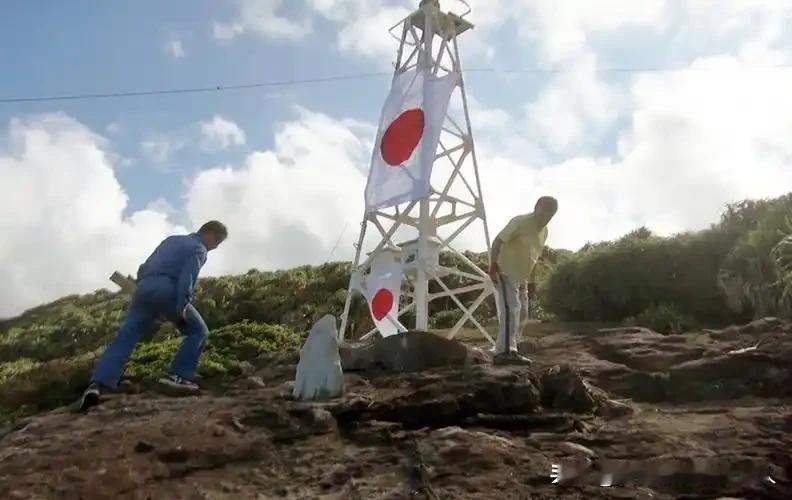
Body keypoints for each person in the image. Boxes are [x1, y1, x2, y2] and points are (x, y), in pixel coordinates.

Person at [78, 221, 228, 411]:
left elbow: (144, 267)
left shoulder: (171, 240)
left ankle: (99, 385)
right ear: (209, 233)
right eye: (217, 241)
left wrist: (143, 286)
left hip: (143, 290)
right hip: (168, 291)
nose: (215, 246)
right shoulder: (199, 248)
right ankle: (177, 376)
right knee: (199, 332)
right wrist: (181, 306)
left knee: (126, 336)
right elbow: (187, 278)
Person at [489, 197, 558, 362]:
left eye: (550, 215)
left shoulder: (544, 232)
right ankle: (506, 352)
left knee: (522, 313)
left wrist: (532, 281)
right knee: (512, 310)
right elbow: (497, 241)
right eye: (543, 212)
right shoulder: (520, 222)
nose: (545, 217)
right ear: (536, 208)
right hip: (505, 271)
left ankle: (505, 347)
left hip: (522, 278)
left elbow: (534, 257)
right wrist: (492, 265)